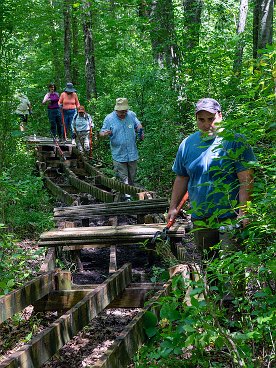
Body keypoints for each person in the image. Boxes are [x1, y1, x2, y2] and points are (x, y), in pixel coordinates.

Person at [167, 97, 256, 259]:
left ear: (220, 116)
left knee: (231, 267)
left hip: (230, 217)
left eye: (211, 119)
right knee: (209, 265)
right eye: (201, 120)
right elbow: (181, 177)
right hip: (201, 217)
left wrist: (244, 211)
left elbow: (246, 180)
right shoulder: (187, 144)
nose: (207, 124)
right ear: (196, 119)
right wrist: (173, 207)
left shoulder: (235, 141)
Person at [99, 97, 144, 189]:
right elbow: (101, 133)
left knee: (132, 176)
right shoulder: (109, 118)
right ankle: (126, 197)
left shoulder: (131, 115)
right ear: (116, 110)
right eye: (121, 111)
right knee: (124, 179)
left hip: (132, 153)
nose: (124, 113)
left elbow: (138, 124)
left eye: (125, 111)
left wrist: (140, 130)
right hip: (119, 154)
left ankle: (131, 193)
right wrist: (104, 134)